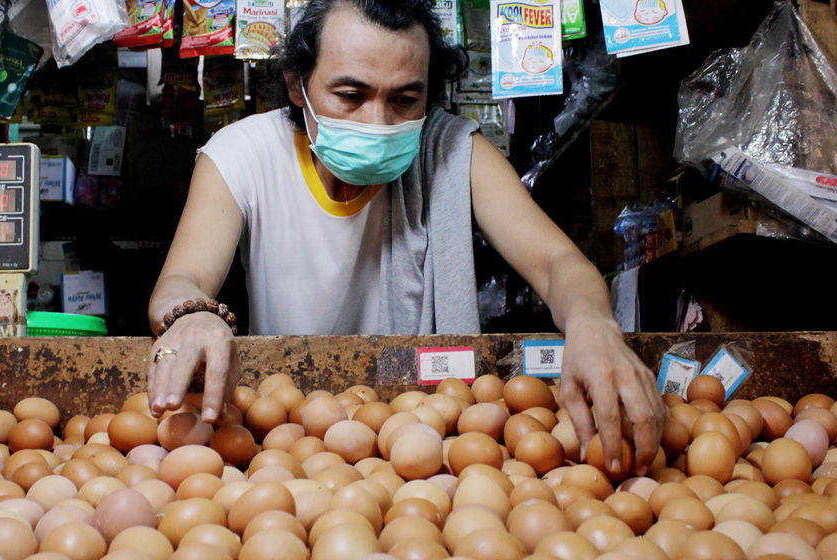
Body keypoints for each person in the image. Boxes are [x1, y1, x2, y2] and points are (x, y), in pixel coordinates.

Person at [147, 0, 665, 476]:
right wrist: (192, 314)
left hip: (423, 431)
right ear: (295, 84)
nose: (378, 122)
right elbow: (182, 278)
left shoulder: (450, 150)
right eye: (351, 95)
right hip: (286, 435)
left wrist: (592, 323)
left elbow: (556, 262)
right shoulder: (243, 154)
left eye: (404, 99)